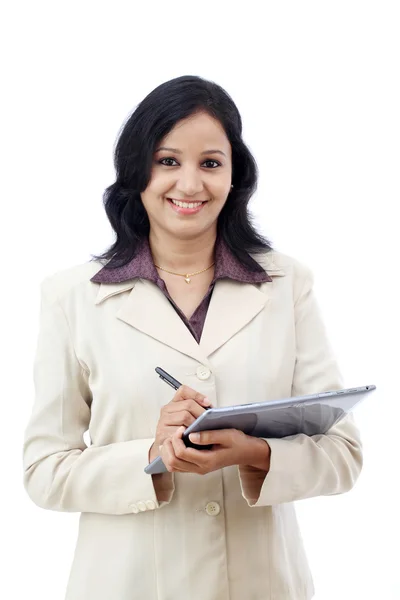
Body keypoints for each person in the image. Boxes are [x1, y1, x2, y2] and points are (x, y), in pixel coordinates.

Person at [22, 75, 363, 600]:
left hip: (262, 584)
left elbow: (342, 455)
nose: (189, 184)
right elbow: (44, 472)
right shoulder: (71, 297)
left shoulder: (287, 285)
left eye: (210, 162)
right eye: (167, 161)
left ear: (234, 175)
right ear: (138, 170)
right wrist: (151, 456)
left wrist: (253, 453)